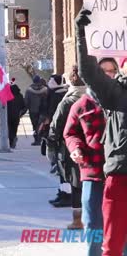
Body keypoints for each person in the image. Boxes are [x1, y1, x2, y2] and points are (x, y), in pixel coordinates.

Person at [76, 9, 127, 256]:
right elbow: (88, 71)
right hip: (119, 175)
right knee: (112, 244)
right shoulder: (115, 92)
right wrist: (80, 33)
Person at [63, 86, 107, 256]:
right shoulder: (81, 105)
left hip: (119, 171)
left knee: (121, 225)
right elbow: (70, 133)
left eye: (112, 71)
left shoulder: (120, 100)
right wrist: (75, 148)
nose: (108, 75)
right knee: (93, 224)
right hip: (92, 171)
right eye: (104, 71)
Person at [46, 67, 86, 229]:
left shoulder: (68, 101)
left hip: (71, 149)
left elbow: (55, 127)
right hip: (95, 148)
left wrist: (51, 147)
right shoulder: (96, 98)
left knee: (76, 185)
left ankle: (78, 220)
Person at [24, 75, 48, 145]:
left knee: (34, 125)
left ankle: (36, 140)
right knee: (41, 125)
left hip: (33, 110)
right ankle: (41, 138)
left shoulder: (29, 90)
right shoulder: (45, 89)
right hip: (43, 110)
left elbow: (26, 101)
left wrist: (25, 109)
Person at [7, 84, 26, 149]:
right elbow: (24, 106)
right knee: (15, 129)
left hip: (9, 115)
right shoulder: (20, 96)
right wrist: (21, 113)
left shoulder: (8, 96)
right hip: (17, 116)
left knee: (10, 129)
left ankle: (11, 142)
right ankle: (14, 138)